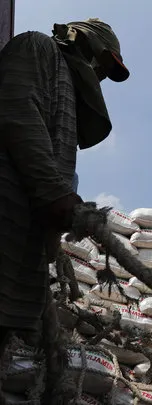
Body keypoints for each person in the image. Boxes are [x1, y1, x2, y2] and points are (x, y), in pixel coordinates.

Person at [0, 18, 129, 346]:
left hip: (22, 248)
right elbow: (16, 112)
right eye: (101, 63)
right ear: (83, 43)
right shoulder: (36, 47)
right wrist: (56, 195)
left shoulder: (66, 100)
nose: (99, 74)